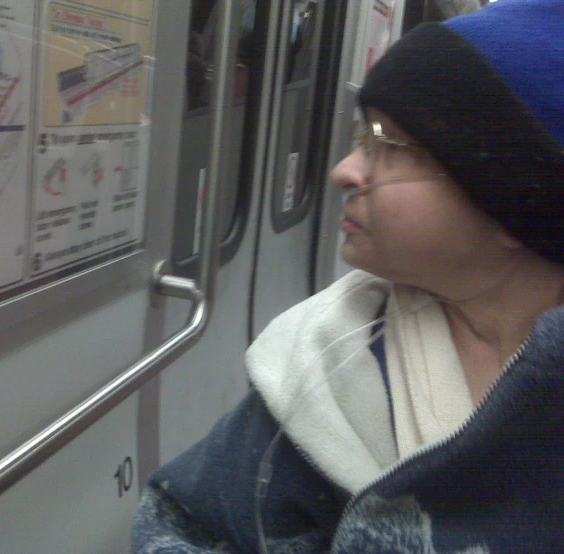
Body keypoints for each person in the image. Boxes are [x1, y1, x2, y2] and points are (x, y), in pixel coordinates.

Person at [133, 1, 564, 552]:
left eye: (385, 146)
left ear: (512, 201)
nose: (343, 172)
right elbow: (186, 524)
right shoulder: (333, 358)